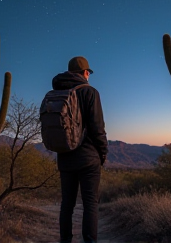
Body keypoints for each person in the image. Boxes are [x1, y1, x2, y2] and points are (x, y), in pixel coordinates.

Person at [52, 56, 108, 243]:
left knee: (67, 203)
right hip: (88, 157)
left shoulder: (58, 92)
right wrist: (103, 153)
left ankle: (65, 240)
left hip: (65, 156)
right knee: (90, 203)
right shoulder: (90, 92)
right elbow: (97, 128)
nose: (89, 76)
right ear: (85, 72)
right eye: (88, 73)